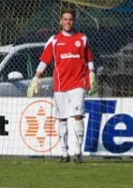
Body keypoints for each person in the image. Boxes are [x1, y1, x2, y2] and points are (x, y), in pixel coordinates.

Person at [27, 9, 97, 164]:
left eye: (70, 19)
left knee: (78, 115)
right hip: (60, 85)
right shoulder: (54, 40)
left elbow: (89, 58)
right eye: (65, 19)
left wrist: (91, 74)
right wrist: (36, 78)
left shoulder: (82, 38)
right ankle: (64, 152)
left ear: (74, 21)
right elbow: (44, 61)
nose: (68, 22)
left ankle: (78, 152)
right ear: (60, 21)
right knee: (62, 118)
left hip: (78, 83)